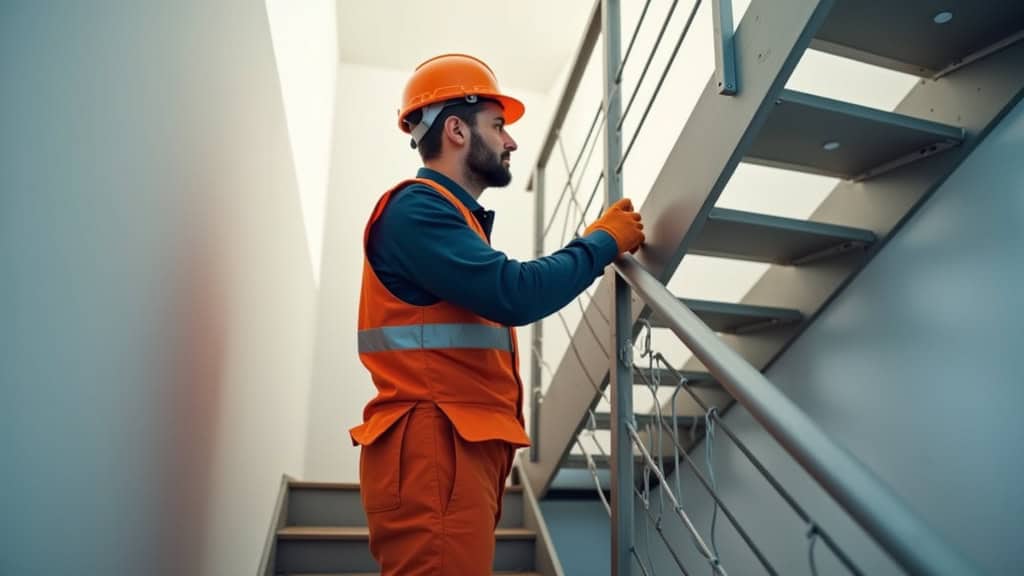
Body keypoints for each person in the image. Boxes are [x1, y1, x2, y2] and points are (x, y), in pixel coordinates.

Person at [350, 53, 644, 576]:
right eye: (499, 125)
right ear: (457, 129)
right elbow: (516, 292)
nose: (510, 142)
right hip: (434, 451)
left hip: (455, 450)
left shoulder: (453, 219)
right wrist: (601, 243)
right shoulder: (417, 210)